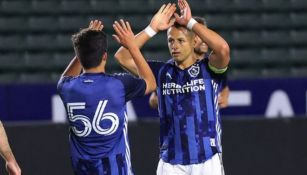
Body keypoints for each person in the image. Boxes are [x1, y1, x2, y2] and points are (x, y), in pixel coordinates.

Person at [114, 0, 230, 174]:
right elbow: (122, 57)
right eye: (170, 41)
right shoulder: (160, 71)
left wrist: (190, 23)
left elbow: (222, 48)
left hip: (207, 159)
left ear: (193, 42)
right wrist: (152, 29)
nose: (174, 46)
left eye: (181, 40)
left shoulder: (208, 69)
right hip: (171, 162)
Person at [57, 19, 156, 175]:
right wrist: (132, 46)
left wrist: (84, 49)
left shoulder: (66, 87)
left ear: (79, 55)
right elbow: (151, 82)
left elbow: (66, 76)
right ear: (105, 56)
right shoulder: (118, 84)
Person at [148, 16, 230, 110]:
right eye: (199, 35)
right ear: (192, 39)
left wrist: (224, 96)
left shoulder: (212, 64)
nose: (204, 40)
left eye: (205, 35)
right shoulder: (169, 69)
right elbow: (153, 99)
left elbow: (224, 86)